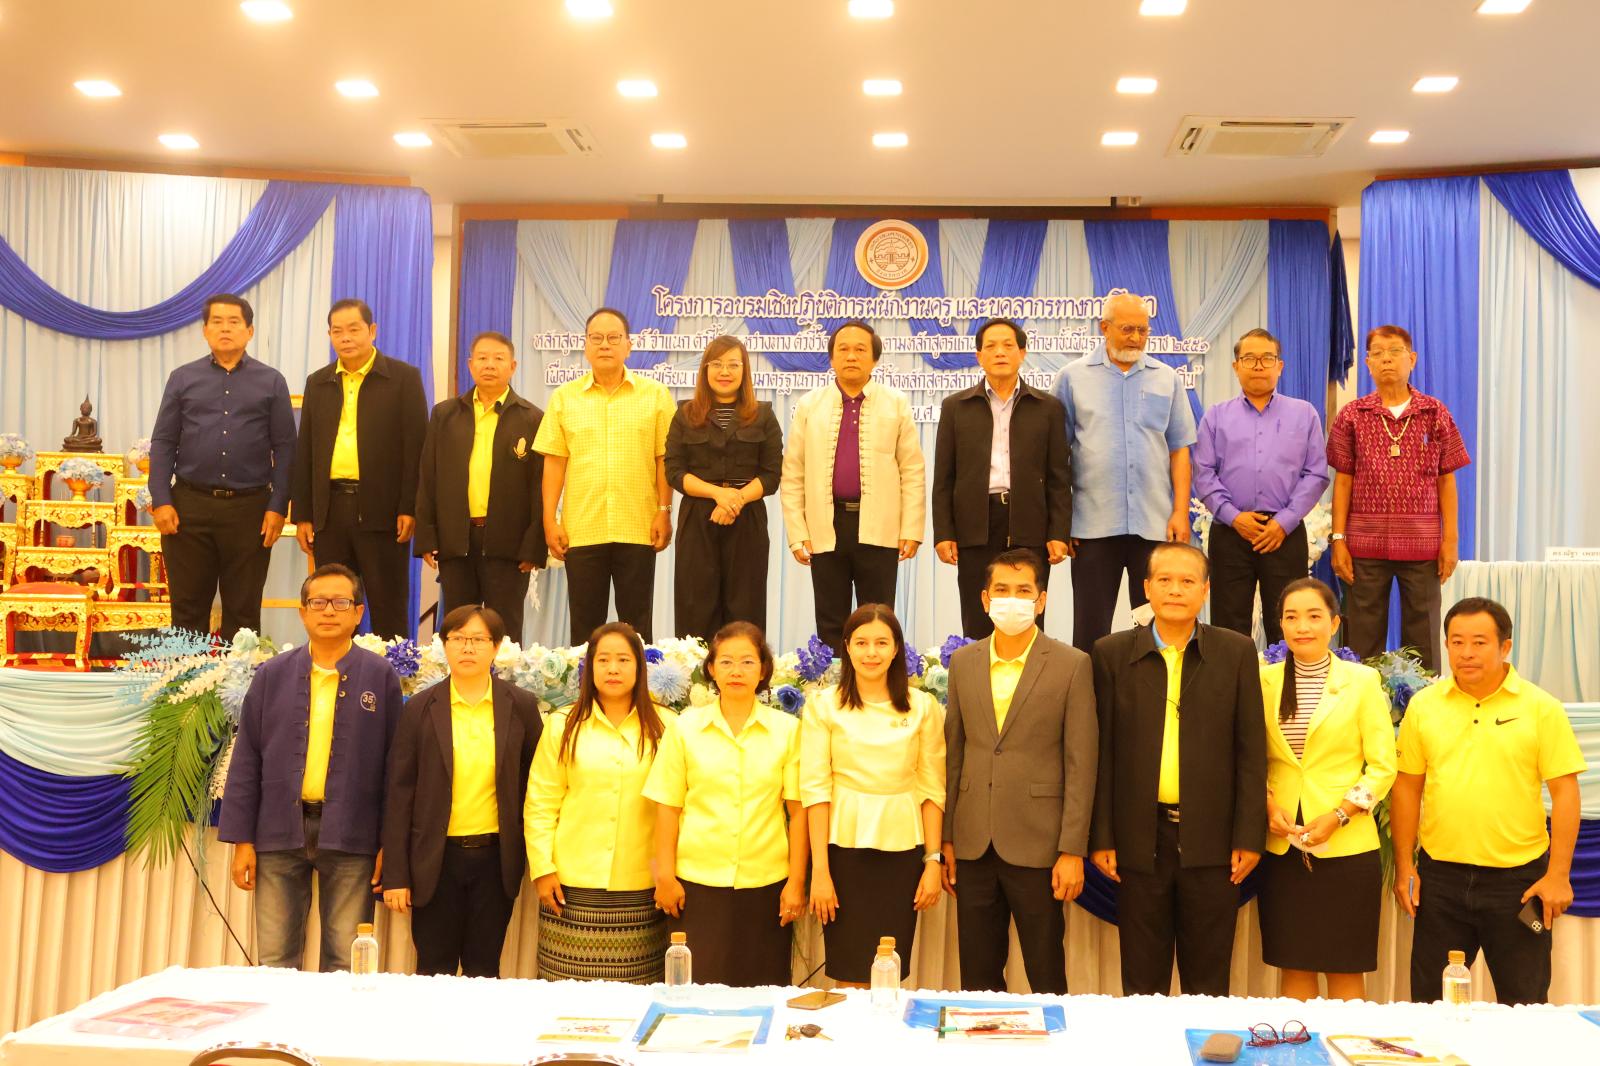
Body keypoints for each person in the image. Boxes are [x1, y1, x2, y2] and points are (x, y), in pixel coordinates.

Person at [1088, 542, 1266, 996]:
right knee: (1141, 985)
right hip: (1138, 841)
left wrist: (1249, 836)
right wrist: (1102, 836)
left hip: (1213, 842)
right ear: (1146, 588)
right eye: (1164, 580)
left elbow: (1251, 751)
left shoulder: (1236, 651)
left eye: (1188, 581)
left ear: (1205, 590)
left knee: (1208, 984)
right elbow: (1100, 754)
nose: (1175, 590)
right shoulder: (1110, 654)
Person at [1392, 597, 1586, 1006]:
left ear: (1505, 646)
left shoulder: (1541, 708)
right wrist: (1406, 866)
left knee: (1525, 1005)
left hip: (1518, 883)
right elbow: (1407, 787)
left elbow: (1566, 792)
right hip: (1440, 880)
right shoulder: (1424, 706)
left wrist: (1558, 875)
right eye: (1456, 642)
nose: (1466, 653)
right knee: (1430, 1006)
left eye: (1479, 642)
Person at [219, 564, 402, 970]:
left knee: (346, 961)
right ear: (302, 612)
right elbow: (247, 759)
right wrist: (242, 841)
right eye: (318, 602)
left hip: (353, 834)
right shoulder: (272, 675)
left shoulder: (380, 676)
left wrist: (389, 843)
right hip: (277, 831)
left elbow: (396, 769)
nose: (329, 611)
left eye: (341, 602)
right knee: (275, 960)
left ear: (358, 612)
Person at [940, 548, 1097, 994]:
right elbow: (955, 752)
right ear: (985, 599)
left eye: (1023, 590)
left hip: (1039, 844)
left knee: (1046, 973)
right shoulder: (963, 662)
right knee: (977, 977)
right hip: (973, 843)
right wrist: (948, 837)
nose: (1012, 599)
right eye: (1002, 590)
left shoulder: (1072, 664)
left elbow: (1081, 763)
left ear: (1041, 600)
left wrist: (1072, 850)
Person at [643, 622, 808, 986]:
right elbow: (667, 807)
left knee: (762, 993)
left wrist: (796, 882)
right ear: (711, 669)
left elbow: (798, 814)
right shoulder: (685, 728)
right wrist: (665, 876)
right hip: (696, 885)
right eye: (727, 662)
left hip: (766, 885)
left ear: (763, 670)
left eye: (747, 662)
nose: (737, 671)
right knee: (697, 994)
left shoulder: (787, 731)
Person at [381, 605, 541, 978]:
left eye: (478, 639)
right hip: (435, 862)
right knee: (432, 970)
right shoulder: (420, 708)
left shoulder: (520, 706)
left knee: (484, 969)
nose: (467, 648)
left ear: (497, 647)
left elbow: (537, 783)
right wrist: (396, 875)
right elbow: (400, 795)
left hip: (494, 861)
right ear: (445, 645)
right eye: (458, 638)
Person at [1257, 578, 1396, 1001]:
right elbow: (1251, 758)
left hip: (1347, 846)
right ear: (1280, 625)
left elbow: (1383, 767)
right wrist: (1267, 805)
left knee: (1345, 968)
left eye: (1314, 616)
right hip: (1283, 843)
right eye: (1291, 617)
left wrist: (1340, 815)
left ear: (1334, 623)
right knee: (1294, 964)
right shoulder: (1262, 680)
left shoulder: (1363, 680)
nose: (1303, 626)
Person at [802, 604, 945, 986]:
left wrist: (933, 862)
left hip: (903, 852)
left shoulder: (922, 707)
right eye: (862, 642)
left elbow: (932, 788)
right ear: (847, 647)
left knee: (888, 970)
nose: (871, 652)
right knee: (849, 972)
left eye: (882, 643)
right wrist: (820, 872)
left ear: (896, 648)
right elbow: (815, 790)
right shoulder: (823, 706)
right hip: (842, 851)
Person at [524, 622, 673, 983]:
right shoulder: (563, 725)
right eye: (603, 660)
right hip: (569, 886)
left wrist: (668, 872)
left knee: (634, 999)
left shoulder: (667, 726)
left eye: (623, 660)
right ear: (590, 667)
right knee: (565, 1001)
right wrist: (543, 868)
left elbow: (675, 806)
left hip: (642, 886)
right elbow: (541, 801)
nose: (613, 669)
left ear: (639, 667)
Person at [1052, 292, 1196, 653]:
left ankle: (1151, 688)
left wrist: (1180, 512)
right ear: (1104, 328)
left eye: (1143, 330)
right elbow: (1056, 456)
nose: (1135, 337)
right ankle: (1088, 690)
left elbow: (1179, 451)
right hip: (1091, 527)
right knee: (1091, 628)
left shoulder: (1167, 378)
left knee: (1153, 626)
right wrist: (1062, 521)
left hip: (1154, 523)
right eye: (1127, 329)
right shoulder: (1072, 378)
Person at [148, 294, 296, 639]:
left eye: (234, 322)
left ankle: (239, 676)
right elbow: (164, 441)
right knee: (187, 608)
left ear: (250, 331)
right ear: (205, 330)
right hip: (189, 507)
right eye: (217, 322)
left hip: (250, 510)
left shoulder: (271, 381)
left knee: (243, 612)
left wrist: (278, 506)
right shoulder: (182, 378)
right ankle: (186, 675)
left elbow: (286, 447)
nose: (225, 328)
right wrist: (161, 499)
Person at [1327, 325, 1470, 672]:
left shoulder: (1434, 412)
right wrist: (1338, 539)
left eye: (1394, 351)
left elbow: (1446, 480)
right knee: (1361, 638)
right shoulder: (1352, 415)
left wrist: (1450, 541)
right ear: (1367, 363)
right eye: (1377, 353)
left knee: (1423, 638)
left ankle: (1423, 701)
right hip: (1363, 545)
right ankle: (1362, 700)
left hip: (1422, 545)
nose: (1386, 359)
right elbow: (1343, 481)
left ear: (1412, 359)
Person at [781, 319, 925, 650]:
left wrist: (911, 528)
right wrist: (797, 532)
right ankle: (834, 681)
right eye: (843, 349)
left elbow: (912, 469)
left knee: (878, 618)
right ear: (831, 358)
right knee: (830, 620)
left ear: (874, 359)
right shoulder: (809, 404)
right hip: (825, 525)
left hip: (880, 526)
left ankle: (879, 680)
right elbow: (793, 472)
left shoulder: (895, 403)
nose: (851, 356)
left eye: (860, 349)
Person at [536, 307, 677, 645]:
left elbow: (665, 459)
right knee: (584, 630)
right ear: (585, 346)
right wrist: (549, 521)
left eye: (613, 338)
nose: (604, 345)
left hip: (638, 526)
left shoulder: (655, 395)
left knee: (637, 628)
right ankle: (585, 682)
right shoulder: (564, 397)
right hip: (583, 528)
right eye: (596, 338)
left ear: (629, 345)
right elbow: (554, 462)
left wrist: (664, 511)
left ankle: (640, 681)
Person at [290, 298, 429, 640]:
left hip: (384, 512)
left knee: (388, 604)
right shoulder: (318, 382)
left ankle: (394, 670)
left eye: (354, 329)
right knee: (333, 602)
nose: (346, 337)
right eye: (337, 331)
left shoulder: (403, 378)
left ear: (372, 331)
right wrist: (303, 514)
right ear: (329, 335)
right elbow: (305, 451)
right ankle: (335, 666)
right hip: (330, 512)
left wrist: (409, 507)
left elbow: (417, 449)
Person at [932, 318, 1072, 638]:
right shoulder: (956, 407)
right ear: (979, 356)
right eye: (991, 346)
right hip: (976, 523)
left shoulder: (1047, 408)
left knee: (1027, 612)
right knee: (978, 612)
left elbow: (1059, 477)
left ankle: (1030, 671)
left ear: (1022, 353)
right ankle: (979, 670)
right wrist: (944, 532)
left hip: (1030, 521)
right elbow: (944, 478)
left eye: (1008, 345)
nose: (1000, 352)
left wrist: (1058, 532)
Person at [1192, 329, 1329, 645]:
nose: (1258, 365)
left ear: (1280, 365)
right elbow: (1204, 473)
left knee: (1289, 622)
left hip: (1284, 532)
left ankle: (1288, 677)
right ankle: (1232, 679)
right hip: (1231, 530)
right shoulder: (1216, 416)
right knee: (1228, 627)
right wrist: (1233, 516)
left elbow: (1316, 474)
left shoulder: (1304, 414)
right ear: (1235, 366)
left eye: (1267, 358)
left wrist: (1284, 522)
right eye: (1249, 358)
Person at [413, 331, 546, 644]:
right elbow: (428, 477)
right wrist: (427, 535)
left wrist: (534, 545)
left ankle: (506, 677)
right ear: (470, 365)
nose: (490, 365)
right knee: (459, 627)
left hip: (509, 544)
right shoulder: (445, 414)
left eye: (498, 358)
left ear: (513, 366)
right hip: (456, 540)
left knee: (506, 631)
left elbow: (540, 487)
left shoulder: (532, 418)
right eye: (482, 358)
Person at [664, 336, 783, 640]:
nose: (725, 372)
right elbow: (674, 471)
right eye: (716, 364)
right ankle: (696, 671)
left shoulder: (764, 415)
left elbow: (771, 475)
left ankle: (744, 667)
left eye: (733, 364)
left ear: (745, 370)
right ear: (705, 369)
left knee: (746, 607)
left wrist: (735, 500)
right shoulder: (685, 414)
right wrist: (719, 494)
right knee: (695, 606)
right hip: (698, 518)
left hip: (747, 520)